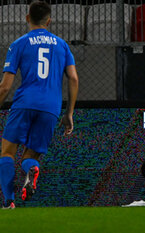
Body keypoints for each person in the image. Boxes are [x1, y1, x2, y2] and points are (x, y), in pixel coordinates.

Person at [0, 1, 79, 209]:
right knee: (31, 155)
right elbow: (73, 78)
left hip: (25, 102)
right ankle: (31, 169)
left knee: (7, 152)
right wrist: (69, 112)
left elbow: (5, 86)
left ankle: (9, 201)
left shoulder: (19, 44)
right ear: (49, 21)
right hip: (51, 108)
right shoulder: (62, 45)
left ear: (27, 18)